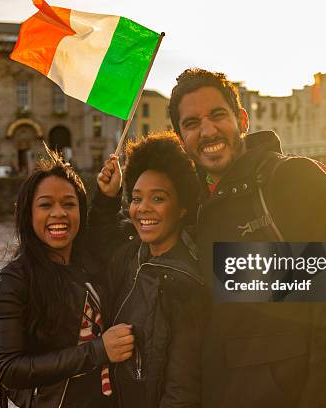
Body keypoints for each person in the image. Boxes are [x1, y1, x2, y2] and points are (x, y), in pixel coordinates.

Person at [168, 68, 326, 408]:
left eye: (218, 115)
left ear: (242, 120)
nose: (207, 130)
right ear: (181, 139)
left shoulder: (290, 181)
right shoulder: (200, 207)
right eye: (191, 124)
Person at [0, 153, 134, 408]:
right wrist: (98, 351)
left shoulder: (87, 262)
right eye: (45, 205)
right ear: (28, 213)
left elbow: (101, 229)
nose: (59, 213)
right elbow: (10, 370)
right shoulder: (13, 281)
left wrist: (109, 196)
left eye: (69, 204)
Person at [90, 132, 205, 408]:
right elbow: (99, 242)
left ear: (182, 209)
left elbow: (182, 389)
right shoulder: (133, 255)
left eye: (158, 199)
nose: (143, 209)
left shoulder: (185, 285)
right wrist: (107, 198)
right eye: (137, 198)